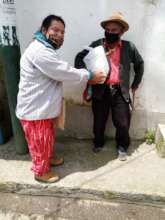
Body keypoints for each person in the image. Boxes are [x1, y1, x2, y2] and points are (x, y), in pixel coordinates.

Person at [16, 15, 106, 183]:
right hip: (35, 109)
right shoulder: (39, 51)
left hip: (42, 107)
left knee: (47, 137)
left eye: (62, 32)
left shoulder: (45, 48)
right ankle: (41, 172)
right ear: (44, 30)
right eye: (55, 30)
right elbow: (62, 71)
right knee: (39, 141)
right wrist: (88, 75)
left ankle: (48, 158)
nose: (59, 35)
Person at [75, 11, 144, 160]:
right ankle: (98, 142)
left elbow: (140, 64)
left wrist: (135, 84)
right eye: (108, 30)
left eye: (114, 30)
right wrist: (88, 76)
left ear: (122, 32)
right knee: (99, 121)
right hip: (101, 90)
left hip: (120, 90)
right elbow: (79, 57)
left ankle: (122, 146)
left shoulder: (129, 47)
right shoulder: (97, 45)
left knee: (123, 122)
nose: (110, 32)